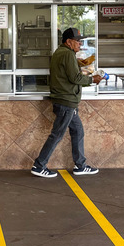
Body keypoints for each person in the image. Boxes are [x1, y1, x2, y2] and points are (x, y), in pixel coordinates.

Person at [31, 27, 102, 178]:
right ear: (69, 42)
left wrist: (78, 63)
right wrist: (92, 80)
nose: (80, 44)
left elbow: (68, 73)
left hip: (67, 101)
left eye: (81, 41)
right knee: (57, 134)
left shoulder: (61, 53)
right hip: (66, 101)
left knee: (78, 131)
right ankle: (39, 165)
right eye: (78, 41)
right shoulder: (67, 54)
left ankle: (80, 165)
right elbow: (75, 78)